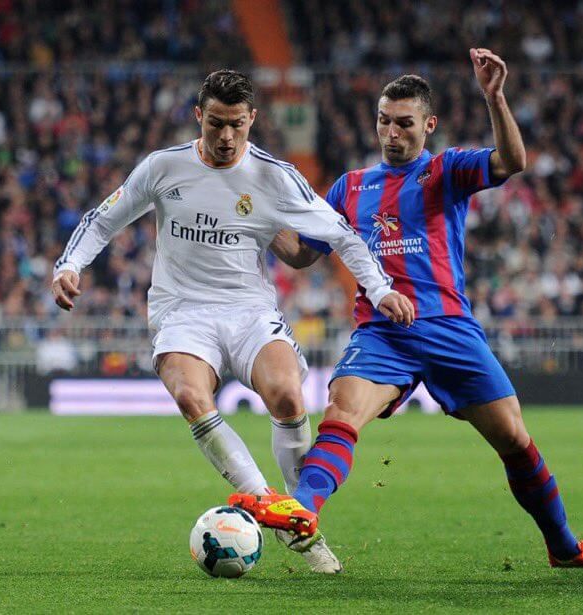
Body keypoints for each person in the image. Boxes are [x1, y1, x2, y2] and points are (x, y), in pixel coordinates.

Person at [230, 50, 583, 570]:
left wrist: (494, 97)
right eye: (384, 120)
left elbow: (512, 161)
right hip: (381, 332)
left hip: (449, 329)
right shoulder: (349, 187)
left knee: (514, 439)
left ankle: (564, 547)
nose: (391, 132)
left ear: (429, 125)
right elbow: (302, 253)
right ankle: (303, 509)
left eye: (404, 123)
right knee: (342, 411)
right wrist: (256, 217)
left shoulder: (448, 169)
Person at [51, 70, 415, 574]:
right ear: (198, 116)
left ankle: (301, 516)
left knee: (287, 395)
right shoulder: (163, 167)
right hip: (182, 311)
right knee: (190, 396)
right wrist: (69, 265)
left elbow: (342, 234)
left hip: (249, 311)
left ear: (252, 120)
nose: (226, 137)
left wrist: (380, 289)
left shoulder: (273, 176)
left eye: (237, 125)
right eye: (216, 124)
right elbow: (103, 219)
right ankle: (273, 510)